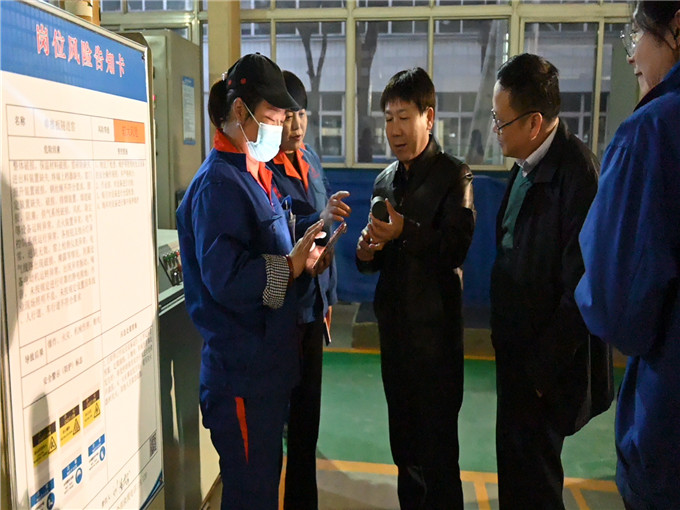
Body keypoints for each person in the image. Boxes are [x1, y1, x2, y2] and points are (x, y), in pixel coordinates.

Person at [176, 53, 328, 510]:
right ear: (240, 111)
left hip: (265, 371)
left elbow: (273, 238)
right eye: (272, 118)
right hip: (240, 376)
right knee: (250, 494)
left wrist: (306, 248)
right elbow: (226, 280)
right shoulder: (219, 184)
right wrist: (290, 267)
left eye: (284, 119)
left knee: (261, 487)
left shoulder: (254, 173)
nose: (280, 129)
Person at [489, 53, 614, 510]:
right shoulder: (526, 164)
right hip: (516, 356)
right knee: (514, 475)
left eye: (501, 121)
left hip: (544, 368)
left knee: (537, 486)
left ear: (534, 122)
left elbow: (581, 288)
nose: (495, 130)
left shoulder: (577, 175)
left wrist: (540, 375)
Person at [575, 2, 680, 508]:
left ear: (676, 27)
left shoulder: (652, 133)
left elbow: (614, 307)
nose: (632, 56)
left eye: (636, 35)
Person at [355, 67, 475, 509]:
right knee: (404, 455)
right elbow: (377, 260)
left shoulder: (455, 176)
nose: (394, 130)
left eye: (404, 117)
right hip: (395, 340)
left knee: (438, 458)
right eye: (388, 119)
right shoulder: (384, 181)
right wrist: (367, 252)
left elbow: (455, 248)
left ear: (429, 116)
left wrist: (404, 231)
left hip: (436, 345)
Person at [265, 70, 351, 510]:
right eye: (286, 117)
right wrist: (318, 217)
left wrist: (328, 298)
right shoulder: (262, 169)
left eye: (301, 115)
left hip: (313, 307)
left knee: (307, 422)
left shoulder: (311, 159)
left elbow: (324, 224)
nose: (296, 126)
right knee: (279, 423)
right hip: (283, 313)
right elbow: (279, 231)